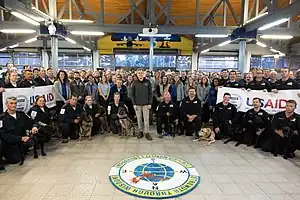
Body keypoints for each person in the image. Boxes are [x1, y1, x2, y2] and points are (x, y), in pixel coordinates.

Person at [0, 97, 38, 164]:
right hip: (10, 143)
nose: (13, 105)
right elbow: (4, 135)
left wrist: (34, 127)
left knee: (31, 141)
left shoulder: (22, 114)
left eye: (15, 103)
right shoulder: (2, 118)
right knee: (15, 160)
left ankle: (23, 150)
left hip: (23, 140)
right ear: (6, 104)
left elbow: (32, 121)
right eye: (11, 103)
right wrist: (20, 138)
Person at [132, 68, 153, 141]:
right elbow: (132, 95)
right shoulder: (134, 83)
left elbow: (150, 94)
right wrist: (134, 104)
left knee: (146, 119)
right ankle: (140, 131)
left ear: (143, 74)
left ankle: (147, 133)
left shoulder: (147, 82)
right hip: (137, 104)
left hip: (146, 104)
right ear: (137, 74)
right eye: (139, 73)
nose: (140, 74)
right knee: (139, 119)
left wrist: (150, 103)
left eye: (141, 73)